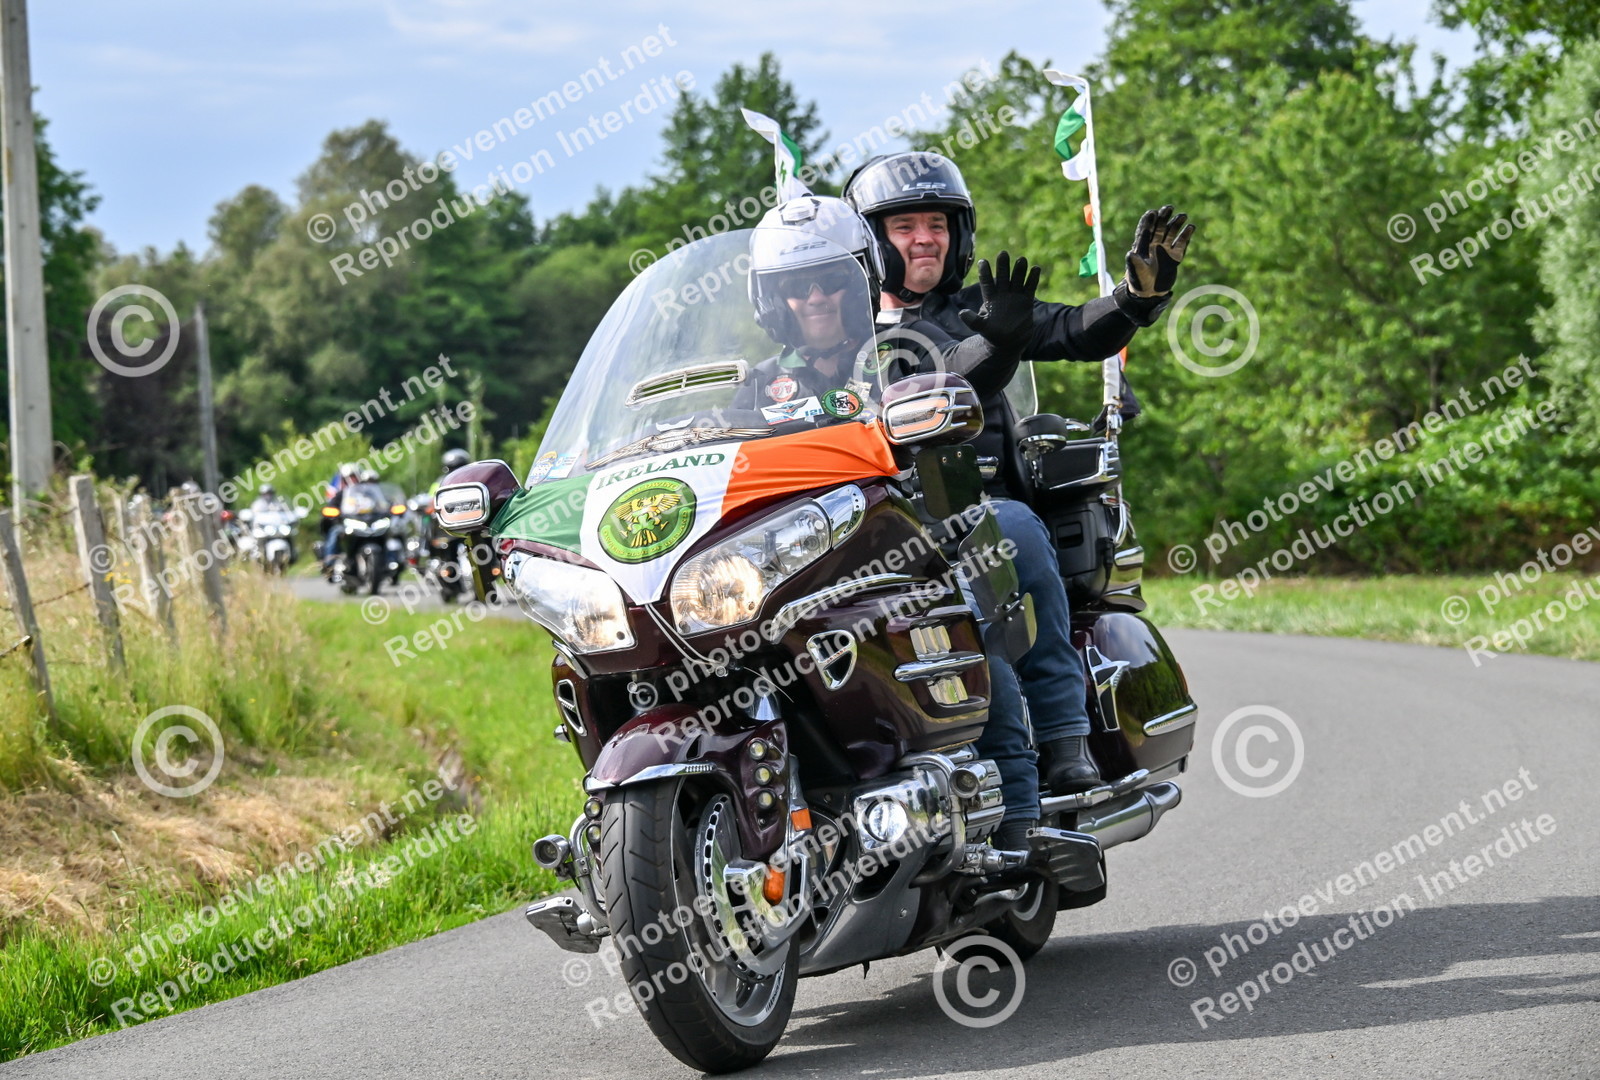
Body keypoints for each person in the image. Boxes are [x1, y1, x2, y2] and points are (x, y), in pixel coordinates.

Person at [844, 152, 1196, 849]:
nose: (924, 239)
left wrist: (1134, 297)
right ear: (871, 241)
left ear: (960, 234)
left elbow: (1074, 330)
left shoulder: (979, 309)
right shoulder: (832, 333)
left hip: (976, 516)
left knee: (1011, 530)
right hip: (870, 528)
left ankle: (1064, 739)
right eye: (905, 226)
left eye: (937, 225)